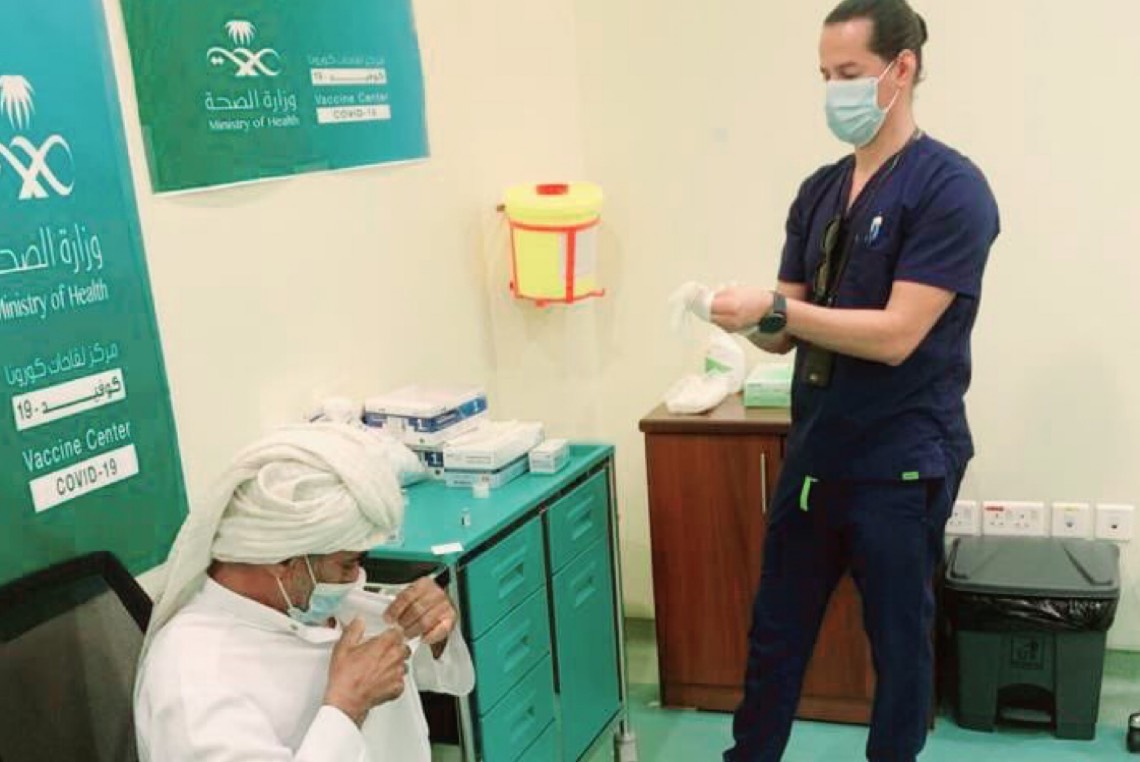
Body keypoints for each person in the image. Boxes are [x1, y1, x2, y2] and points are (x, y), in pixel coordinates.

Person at [706, 1, 1001, 760]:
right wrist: (736, 316)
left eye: (849, 74)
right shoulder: (819, 191)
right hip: (816, 459)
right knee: (774, 638)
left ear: (901, 70)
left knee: (900, 651)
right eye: (824, 76)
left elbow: (898, 335)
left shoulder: (952, 190)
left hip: (899, 465)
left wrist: (777, 310)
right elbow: (783, 332)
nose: (834, 92)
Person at [135, 423, 474, 762]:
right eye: (348, 564)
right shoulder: (194, 680)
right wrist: (346, 709)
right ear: (283, 562)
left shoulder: (305, 602)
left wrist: (433, 629)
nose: (357, 578)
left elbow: (435, 673)